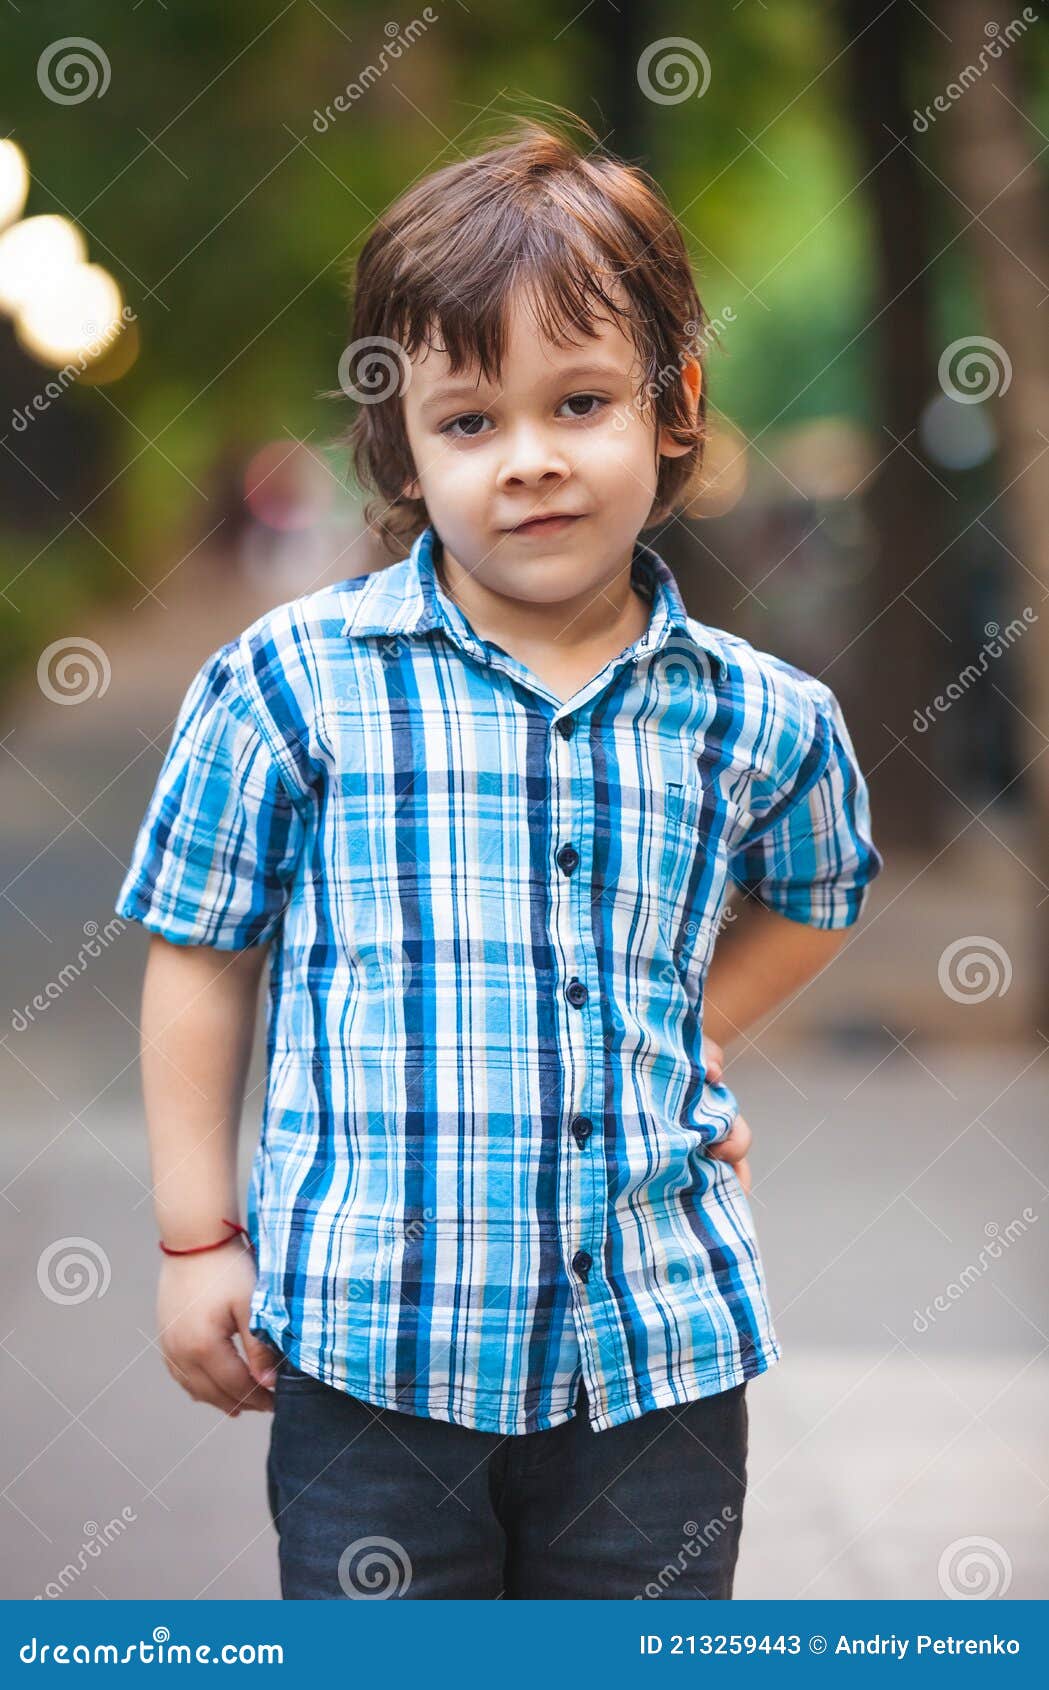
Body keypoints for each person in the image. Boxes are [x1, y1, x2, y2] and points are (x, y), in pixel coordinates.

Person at [115, 114, 883, 1601]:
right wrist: (193, 1234)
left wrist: (690, 1033)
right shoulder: (292, 686)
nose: (527, 461)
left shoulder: (759, 715)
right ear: (397, 444)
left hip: (653, 1361)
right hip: (371, 1363)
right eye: (469, 422)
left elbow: (817, 894)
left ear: (674, 409)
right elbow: (199, 950)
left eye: (579, 401)